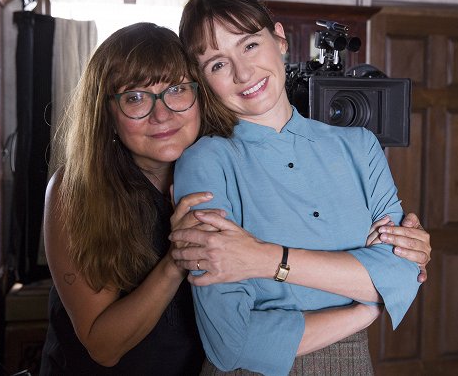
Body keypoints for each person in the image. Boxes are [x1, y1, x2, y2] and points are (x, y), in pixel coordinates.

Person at [39, 22, 430, 374]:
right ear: (107, 112)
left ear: (200, 95)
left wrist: (404, 248)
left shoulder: (222, 167)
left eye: (176, 90)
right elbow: (103, 346)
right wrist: (178, 261)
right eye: (136, 98)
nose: (162, 115)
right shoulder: (75, 190)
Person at [172, 0, 424, 376]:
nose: (243, 72)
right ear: (203, 80)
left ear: (279, 39)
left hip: (351, 366)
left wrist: (265, 259)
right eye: (217, 64)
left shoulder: (360, 147)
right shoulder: (205, 163)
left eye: (250, 46)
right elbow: (230, 343)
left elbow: (403, 276)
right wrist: (364, 308)